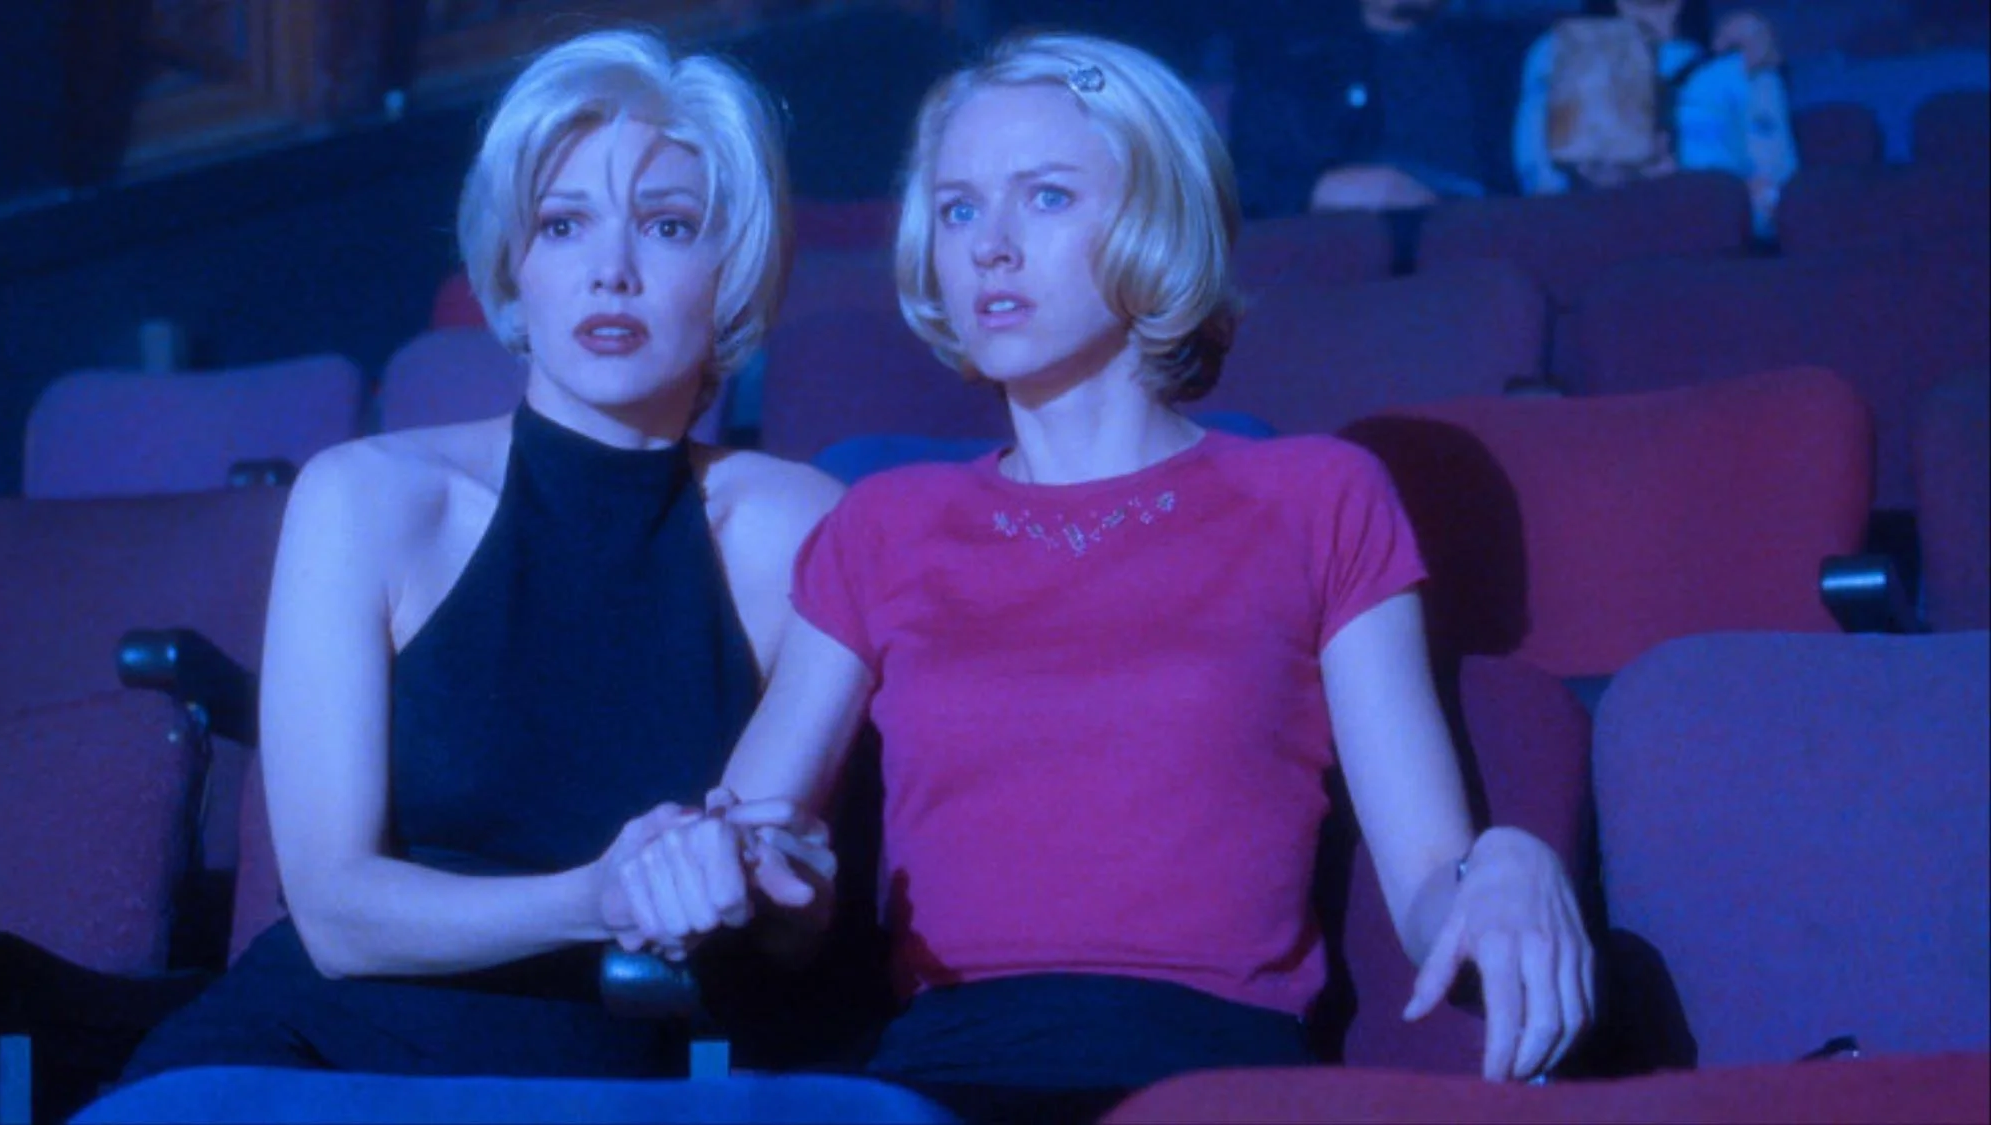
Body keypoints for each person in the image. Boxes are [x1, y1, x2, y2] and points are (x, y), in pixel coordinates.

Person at [619, 30, 1595, 1122]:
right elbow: (770, 859)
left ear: (1152, 219)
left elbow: (1428, 885)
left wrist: (1508, 863)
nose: (987, 246)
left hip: (1209, 1080)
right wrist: (713, 864)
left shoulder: (1316, 497)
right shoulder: (884, 525)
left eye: (1042, 198)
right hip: (933, 1079)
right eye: (955, 209)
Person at [118, 27, 853, 1082]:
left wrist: (785, 896)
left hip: (606, 1063)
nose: (611, 272)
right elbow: (333, 914)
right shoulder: (366, 496)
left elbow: (768, 911)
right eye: (563, 225)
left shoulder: (802, 525)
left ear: (730, 267)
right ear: (515, 265)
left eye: (667, 225)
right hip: (307, 1050)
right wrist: (591, 898)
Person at [1513, 0, 1797, 230]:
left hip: (1709, 249)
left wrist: (1693, 192)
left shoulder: (1743, 62)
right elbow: (1541, 191)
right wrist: (1605, 187)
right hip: (1599, 245)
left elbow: (1778, 200)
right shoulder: (1558, 51)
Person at [1228, 0, 1528, 216]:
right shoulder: (1293, 71)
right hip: (1350, 257)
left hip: (1480, 245)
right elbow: (1245, 182)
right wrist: (1320, 190)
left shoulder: (1507, 60)